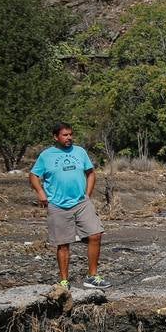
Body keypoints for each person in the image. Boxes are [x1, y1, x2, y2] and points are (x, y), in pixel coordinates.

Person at [28, 123, 109, 290]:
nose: (69, 138)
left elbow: (91, 173)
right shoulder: (46, 155)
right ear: (56, 137)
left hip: (81, 202)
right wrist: (41, 193)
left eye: (70, 134)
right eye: (65, 135)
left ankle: (92, 276)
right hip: (57, 204)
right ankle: (64, 281)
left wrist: (87, 194)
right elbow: (34, 175)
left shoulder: (79, 152)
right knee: (63, 243)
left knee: (95, 234)